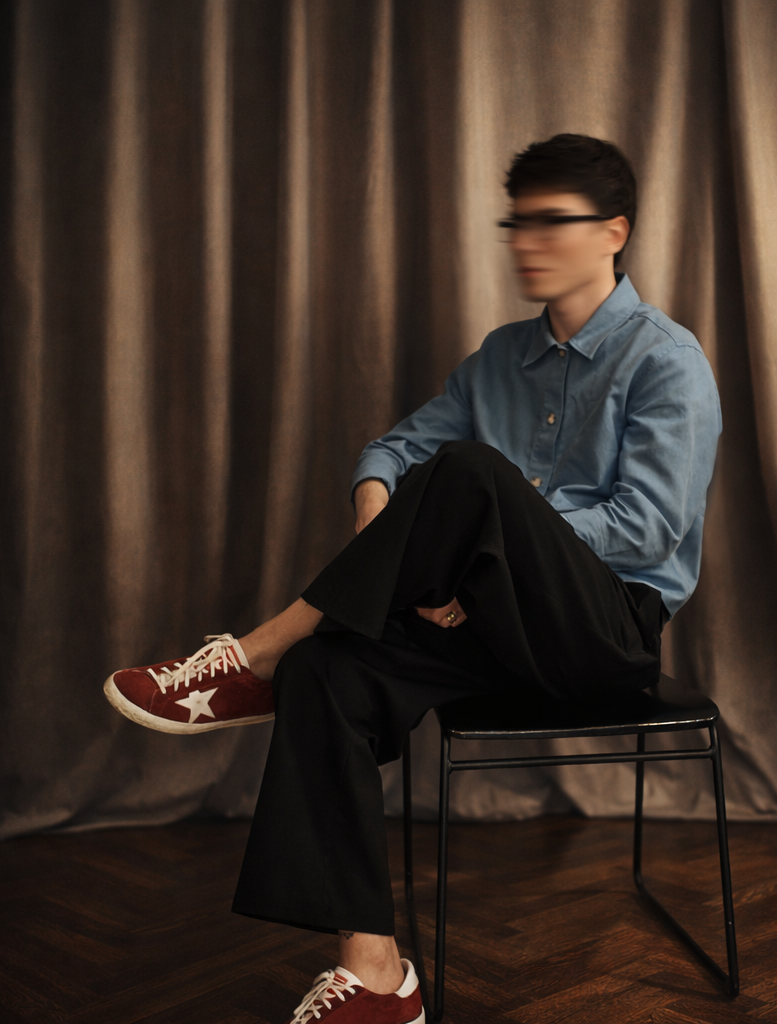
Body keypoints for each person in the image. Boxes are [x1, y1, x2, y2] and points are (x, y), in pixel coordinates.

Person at [104, 134, 721, 1024]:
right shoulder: (499, 357)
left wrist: (483, 552)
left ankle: (256, 653)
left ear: (613, 232)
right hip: (485, 627)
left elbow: (647, 526)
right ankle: (378, 977)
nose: (526, 242)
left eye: (551, 222)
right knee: (328, 672)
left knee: (470, 476)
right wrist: (392, 533)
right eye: (517, 223)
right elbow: (389, 452)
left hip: (601, 637)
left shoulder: (667, 359)